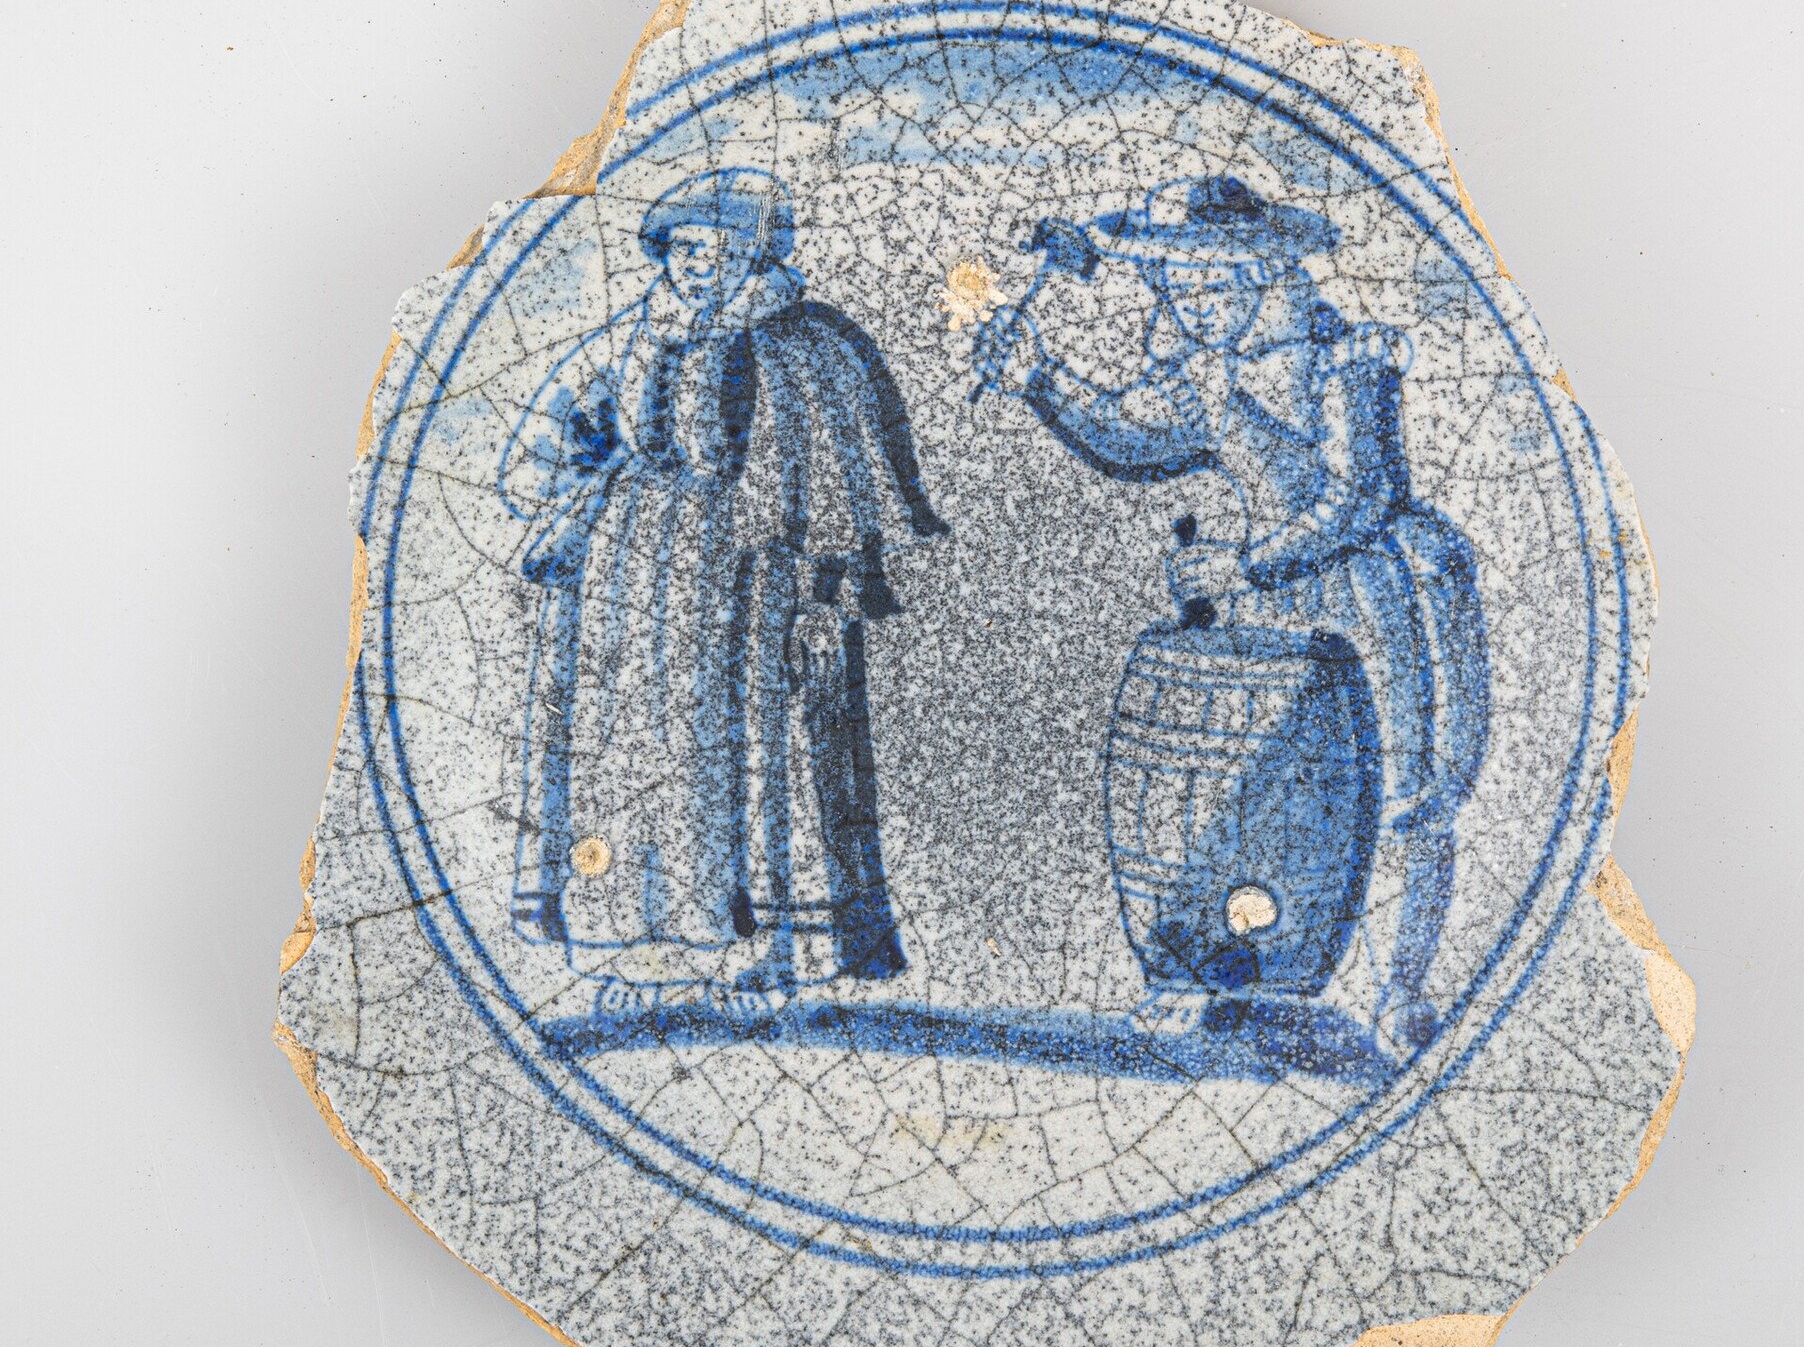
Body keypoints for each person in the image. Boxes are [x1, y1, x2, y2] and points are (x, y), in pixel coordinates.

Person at [972, 174, 1488, 1048]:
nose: (1195, 304)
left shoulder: (1343, 358)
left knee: (1405, 794)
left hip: (1371, 594)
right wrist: (1040, 379)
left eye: (1212, 284)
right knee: (1253, 790)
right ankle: (1228, 972)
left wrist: (1242, 564)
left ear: (1260, 273)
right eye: (1179, 287)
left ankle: (1400, 989)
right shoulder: (1203, 371)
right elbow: (1134, 440)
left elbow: (1360, 497)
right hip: (1276, 606)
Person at [500, 168, 947, 1006]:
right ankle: (643, 948)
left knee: (748, 752)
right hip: (636, 574)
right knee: (638, 749)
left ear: (753, 252)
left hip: (750, 577)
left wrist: (823, 593)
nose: (696, 264)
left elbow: (834, 477)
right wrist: (563, 494)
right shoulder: (637, 331)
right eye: (683, 248)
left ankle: (764, 951)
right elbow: (557, 434)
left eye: (715, 248)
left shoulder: (803, 342)